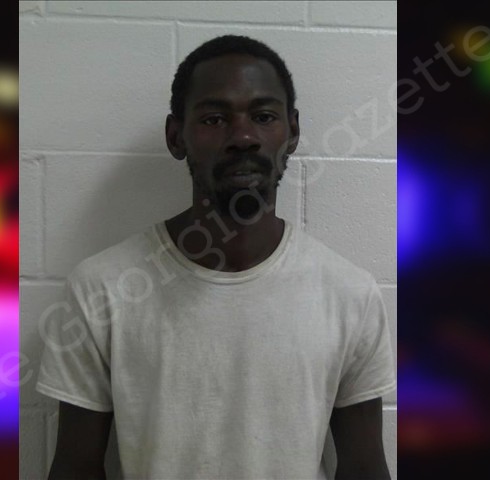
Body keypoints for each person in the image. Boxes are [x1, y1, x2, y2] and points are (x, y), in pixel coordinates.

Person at [37, 35, 395, 480]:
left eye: (263, 116)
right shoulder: (103, 288)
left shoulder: (349, 295)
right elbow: (74, 469)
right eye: (214, 119)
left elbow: (365, 468)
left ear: (293, 132)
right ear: (176, 137)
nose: (242, 136)